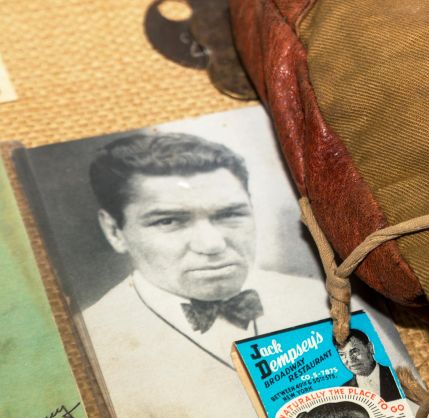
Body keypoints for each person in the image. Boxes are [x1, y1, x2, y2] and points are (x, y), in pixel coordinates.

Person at [81, 132, 329, 418]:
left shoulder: (319, 301)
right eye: (169, 220)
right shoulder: (93, 344)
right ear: (115, 231)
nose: (212, 244)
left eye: (229, 214)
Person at [339, 329, 402, 401]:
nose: (350, 360)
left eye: (354, 351)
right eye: (342, 355)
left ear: (370, 348)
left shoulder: (396, 375)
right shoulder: (344, 392)